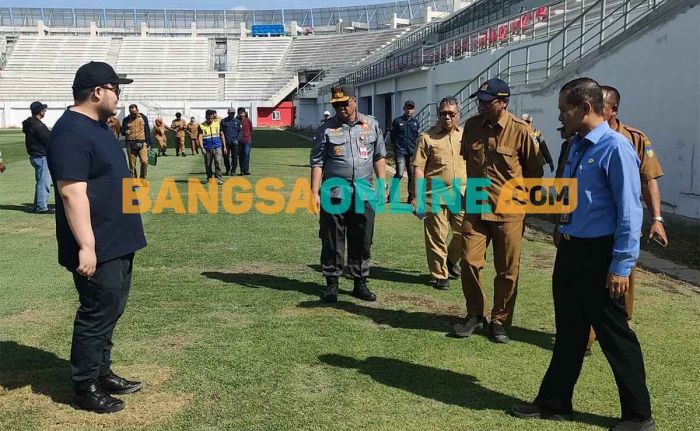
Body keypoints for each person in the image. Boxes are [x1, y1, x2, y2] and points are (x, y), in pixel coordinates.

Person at [512, 77, 655, 431]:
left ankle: (639, 416)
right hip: (571, 250)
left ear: (585, 108)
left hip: (600, 254)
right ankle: (554, 401)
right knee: (569, 332)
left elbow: (628, 212)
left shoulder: (615, 147)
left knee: (615, 336)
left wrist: (621, 265)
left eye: (565, 109)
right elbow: (572, 197)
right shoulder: (576, 145)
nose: (561, 116)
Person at [47, 61, 147, 414]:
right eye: (115, 88)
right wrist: (87, 246)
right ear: (97, 92)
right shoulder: (70, 132)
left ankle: (102, 371)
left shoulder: (100, 126)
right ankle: (85, 385)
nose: (119, 95)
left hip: (119, 238)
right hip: (99, 243)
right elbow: (72, 193)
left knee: (112, 309)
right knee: (96, 313)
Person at [454, 78, 545, 343]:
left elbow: (534, 171)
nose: (480, 106)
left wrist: (524, 204)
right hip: (476, 205)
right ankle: (475, 314)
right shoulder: (471, 127)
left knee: (507, 270)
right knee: (469, 261)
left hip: (509, 210)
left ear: (503, 102)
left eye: (486, 102)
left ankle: (499, 320)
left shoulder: (521, 131)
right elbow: (467, 161)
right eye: (479, 102)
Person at [582, 85, 669, 356]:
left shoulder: (632, 139)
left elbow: (649, 181)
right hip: (590, 228)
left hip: (622, 224)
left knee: (621, 280)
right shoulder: (581, 138)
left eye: (603, 105)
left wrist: (656, 218)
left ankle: (619, 327)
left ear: (613, 110)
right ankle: (587, 337)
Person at [310, 86, 387, 303]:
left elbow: (379, 156)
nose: (341, 108)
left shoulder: (371, 124)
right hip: (334, 190)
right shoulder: (325, 128)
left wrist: (382, 184)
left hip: (364, 191)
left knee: (362, 237)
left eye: (344, 103)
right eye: (336, 105)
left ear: (355, 101)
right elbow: (317, 162)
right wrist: (314, 192)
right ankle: (331, 282)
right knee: (332, 237)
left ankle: (359, 282)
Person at [411, 96, 465, 290]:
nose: (447, 117)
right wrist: (417, 197)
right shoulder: (426, 137)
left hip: (462, 194)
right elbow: (418, 168)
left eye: (451, 113)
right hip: (435, 194)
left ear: (458, 115)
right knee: (437, 237)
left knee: (464, 234)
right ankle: (440, 275)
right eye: (443, 113)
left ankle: (451, 261)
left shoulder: (464, 136)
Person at [22, 101, 54, 214]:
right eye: (43, 109)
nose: (45, 111)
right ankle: (41, 207)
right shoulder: (38, 125)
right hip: (41, 155)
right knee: (44, 182)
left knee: (40, 181)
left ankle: (38, 205)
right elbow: (49, 140)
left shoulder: (31, 123)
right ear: (40, 111)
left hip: (35, 155)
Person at [389, 100, 419, 203]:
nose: (409, 110)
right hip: (400, 151)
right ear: (404, 109)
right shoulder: (397, 121)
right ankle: (391, 196)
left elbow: (416, 137)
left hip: (411, 152)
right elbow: (392, 137)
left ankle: (410, 198)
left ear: (414, 110)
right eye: (407, 108)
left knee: (411, 175)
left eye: (411, 108)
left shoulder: (415, 122)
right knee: (400, 173)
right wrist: (394, 149)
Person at [121, 104, 152, 180]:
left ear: (138, 110)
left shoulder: (143, 118)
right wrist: (125, 132)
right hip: (130, 144)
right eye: (131, 113)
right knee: (132, 165)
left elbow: (147, 130)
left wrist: (150, 143)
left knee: (144, 162)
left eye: (134, 113)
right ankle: (134, 181)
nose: (133, 114)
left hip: (142, 143)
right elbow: (122, 132)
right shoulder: (126, 120)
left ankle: (142, 179)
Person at [198, 109, 227, 185]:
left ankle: (218, 178)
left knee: (218, 162)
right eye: (208, 118)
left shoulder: (217, 124)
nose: (210, 120)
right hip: (207, 148)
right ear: (205, 117)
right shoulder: (201, 126)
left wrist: (224, 147)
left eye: (211, 118)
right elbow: (200, 137)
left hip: (217, 146)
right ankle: (209, 178)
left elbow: (222, 135)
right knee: (208, 164)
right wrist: (202, 148)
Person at [221, 108, 243, 175]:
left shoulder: (237, 121)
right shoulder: (223, 121)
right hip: (226, 142)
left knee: (234, 157)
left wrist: (237, 140)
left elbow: (240, 132)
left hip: (234, 142)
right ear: (228, 113)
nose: (232, 114)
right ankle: (228, 169)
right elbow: (221, 132)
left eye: (233, 113)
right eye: (231, 113)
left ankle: (233, 170)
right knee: (225, 156)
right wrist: (223, 142)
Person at [237, 107, 253, 175]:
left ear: (245, 113)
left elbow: (251, 130)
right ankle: (242, 170)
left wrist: (249, 137)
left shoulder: (248, 120)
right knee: (241, 155)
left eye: (242, 113)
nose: (241, 114)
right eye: (240, 113)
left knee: (246, 155)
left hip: (247, 140)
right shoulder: (236, 120)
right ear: (238, 113)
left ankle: (246, 170)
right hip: (239, 141)